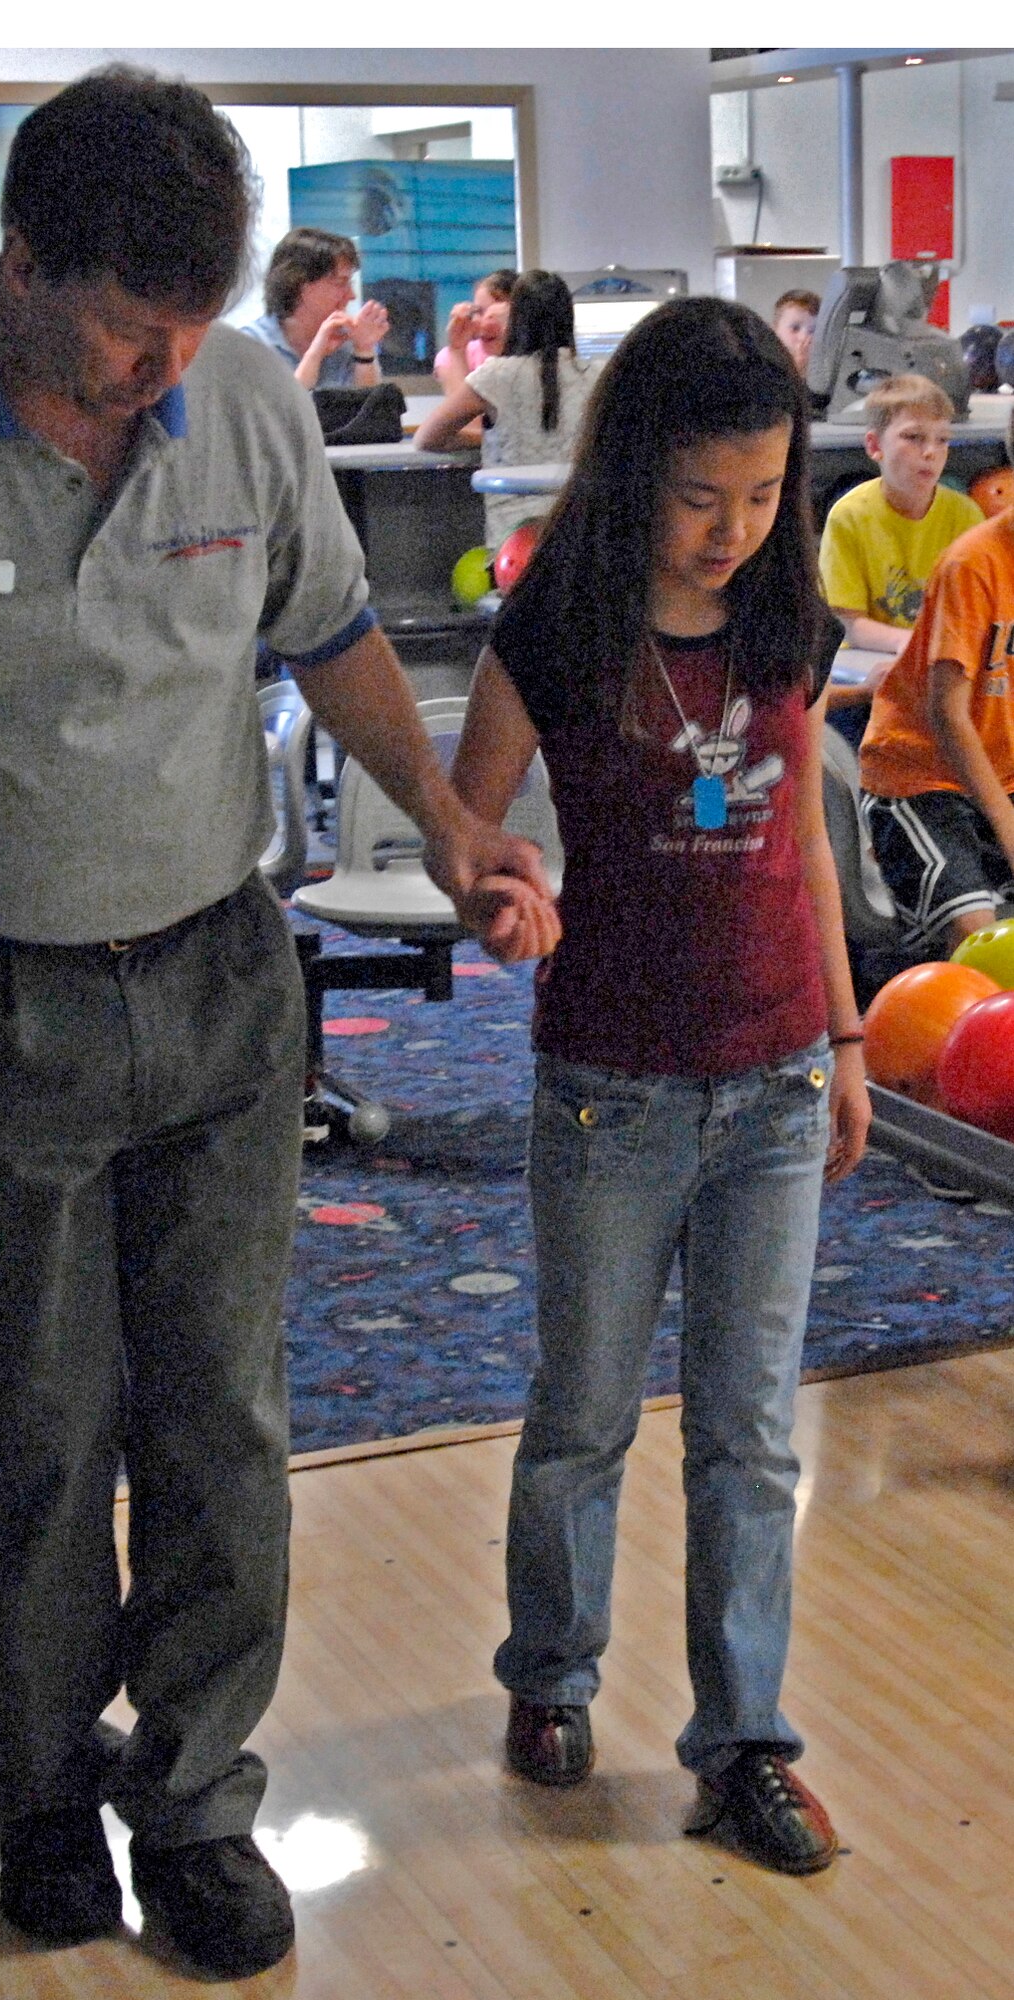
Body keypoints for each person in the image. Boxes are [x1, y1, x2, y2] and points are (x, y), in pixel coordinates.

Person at [0, 66, 551, 1982]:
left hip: (220, 976)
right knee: (18, 1431)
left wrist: (452, 818)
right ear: (19, 262)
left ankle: (194, 1798)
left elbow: (326, 634)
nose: (164, 368)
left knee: (221, 1422)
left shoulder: (235, 399)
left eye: (193, 323)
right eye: (126, 328)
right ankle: (40, 1793)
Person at [448, 296, 871, 1878]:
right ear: (638, 474)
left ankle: (741, 1740)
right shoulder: (559, 616)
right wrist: (501, 901)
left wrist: (841, 1038)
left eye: (763, 495)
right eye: (702, 497)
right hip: (607, 1088)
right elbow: (468, 833)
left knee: (751, 1435)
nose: (732, 529)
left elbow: (803, 846)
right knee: (581, 1414)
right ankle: (549, 1678)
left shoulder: (779, 610)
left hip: (767, 1082)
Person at [858, 405, 1014, 957]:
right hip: (921, 778)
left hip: (1001, 778)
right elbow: (948, 715)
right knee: (976, 934)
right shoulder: (973, 564)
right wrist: (1007, 826)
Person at [819, 375, 984, 750]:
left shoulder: (966, 514)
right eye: (913, 438)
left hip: (945, 667)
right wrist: (915, 645)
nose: (931, 452)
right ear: (874, 445)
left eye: (942, 440)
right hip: (869, 669)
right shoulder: (849, 516)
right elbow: (852, 625)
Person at [414, 269, 593, 554]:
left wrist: (492, 442)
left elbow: (426, 438)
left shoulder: (496, 375)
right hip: (584, 534)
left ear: (515, 317)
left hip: (513, 545)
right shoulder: (597, 373)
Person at [240, 225, 389, 388]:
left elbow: (370, 409)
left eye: (350, 283)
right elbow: (283, 412)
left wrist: (364, 350)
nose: (351, 295)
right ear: (298, 284)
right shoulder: (250, 345)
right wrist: (315, 354)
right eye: (341, 283)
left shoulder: (346, 343)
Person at [433, 267, 517, 397]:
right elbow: (464, 416)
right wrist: (457, 351)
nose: (483, 323)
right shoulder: (451, 357)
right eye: (478, 312)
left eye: (494, 314)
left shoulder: (535, 362)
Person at [771, 287, 820, 376]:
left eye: (813, 331)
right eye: (795, 328)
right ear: (775, 331)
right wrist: (799, 367)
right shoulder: (767, 366)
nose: (804, 337)